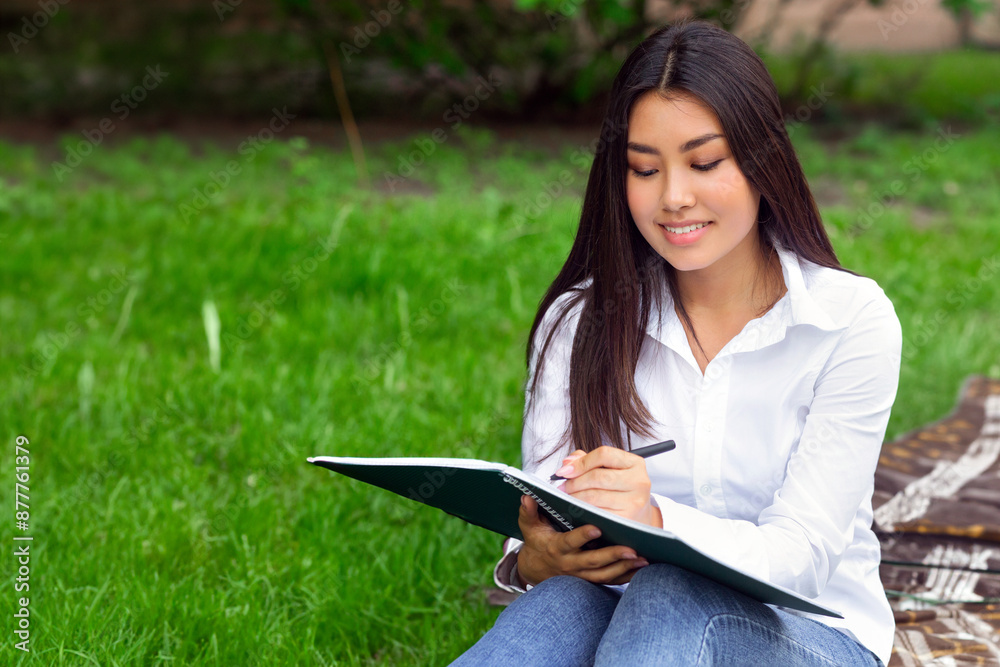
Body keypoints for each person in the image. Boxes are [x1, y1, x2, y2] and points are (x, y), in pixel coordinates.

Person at [451, 17, 900, 667]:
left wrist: (657, 519)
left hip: (809, 635)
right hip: (613, 611)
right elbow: (545, 517)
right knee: (561, 603)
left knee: (669, 591)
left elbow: (801, 559)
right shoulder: (579, 323)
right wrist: (535, 560)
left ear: (762, 158)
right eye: (644, 168)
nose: (673, 197)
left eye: (704, 162)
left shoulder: (848, 321)